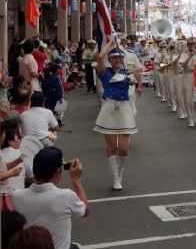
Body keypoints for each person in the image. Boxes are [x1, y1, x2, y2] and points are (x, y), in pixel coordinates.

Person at [12, 146, 88, 249]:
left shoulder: (16, 196)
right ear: (57, 172)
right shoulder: (66, 196)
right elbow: (85, 211)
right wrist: (76, 180)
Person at [93, 38, 137, 191]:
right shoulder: (104, 73)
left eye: (120, 57)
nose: (117, 60)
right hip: (109, 110)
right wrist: (110, 43)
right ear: (110, 60)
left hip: (124, 110)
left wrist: (132, 82)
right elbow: (99, 57)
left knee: (124, 149)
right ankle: (115, 178)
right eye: (114, 58)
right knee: (112, 148)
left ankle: (120, 172)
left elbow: (135, 79)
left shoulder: (128, 73)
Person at [180, 37, 196, 127]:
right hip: (187, 75)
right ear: (187, 45)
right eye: (190, 44)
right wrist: (190, 55)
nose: (192, 46)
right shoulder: (184, 54)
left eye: (194, 44)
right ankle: (190, 119)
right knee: (188, 99)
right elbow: (183, 66)